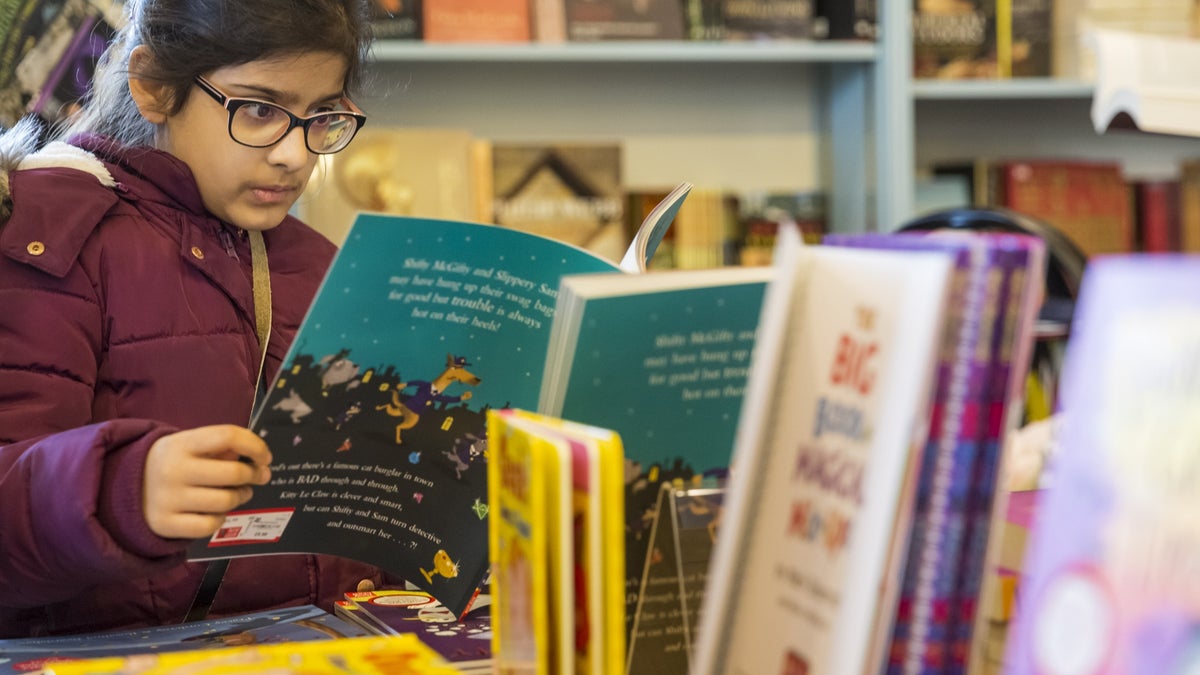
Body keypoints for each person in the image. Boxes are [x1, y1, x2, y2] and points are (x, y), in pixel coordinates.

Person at [0, 0, 388, 637]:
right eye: (259, 109)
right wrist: (119, 491)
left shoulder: (317, 264)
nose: (296, 154)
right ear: (154, 86)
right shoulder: (49, 237)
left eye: (323, 116)